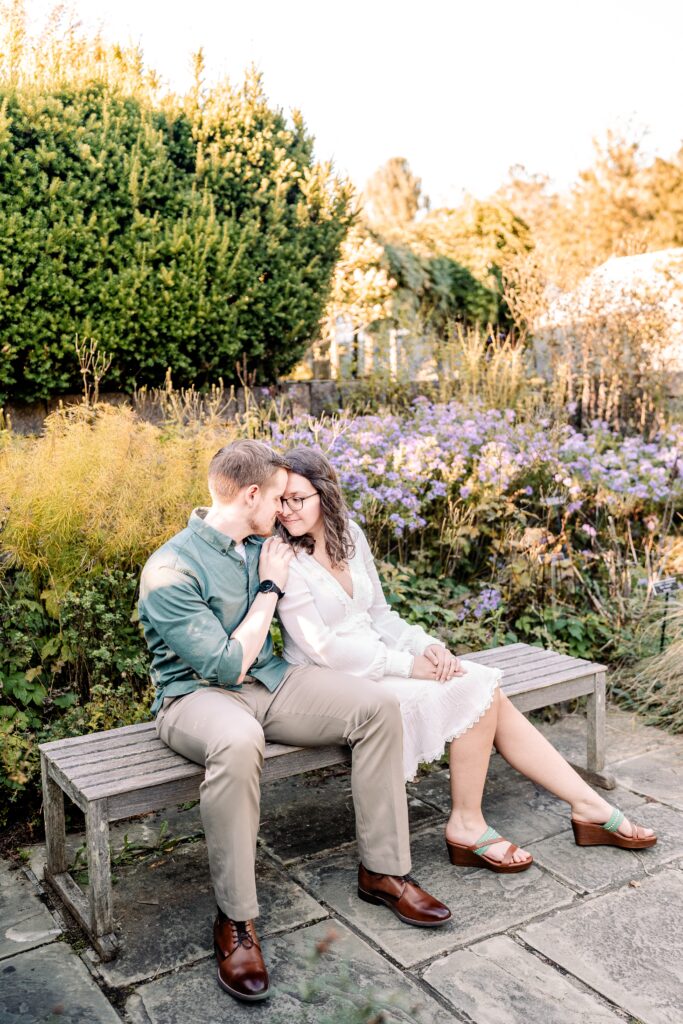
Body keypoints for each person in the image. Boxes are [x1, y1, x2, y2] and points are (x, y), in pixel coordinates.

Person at [138, 440, 451, 1006]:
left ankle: (383, 872)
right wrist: (268, 587)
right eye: (278, 496)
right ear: (252, 494)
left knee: (376, 708)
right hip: (197, 698)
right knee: (238, 741)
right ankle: (236, 921)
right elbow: (224, 664)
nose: (286, 508)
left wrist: (414, 648)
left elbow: (343, 583)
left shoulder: (263, 539)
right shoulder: (171, 567)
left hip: (271, 684)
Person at [275, 446, 657, 873]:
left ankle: (573, 806)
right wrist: (408, 665)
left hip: (382, 661)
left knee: (479, 683)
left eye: (297, 498)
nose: (287, 510)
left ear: (325, 494)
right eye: (281, 499)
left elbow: (380, 615)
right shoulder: (282, 555)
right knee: (478, 688)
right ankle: (484, 823)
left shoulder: (351, 535)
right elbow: (322, 647)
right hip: (331, 682)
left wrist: (425, 646)